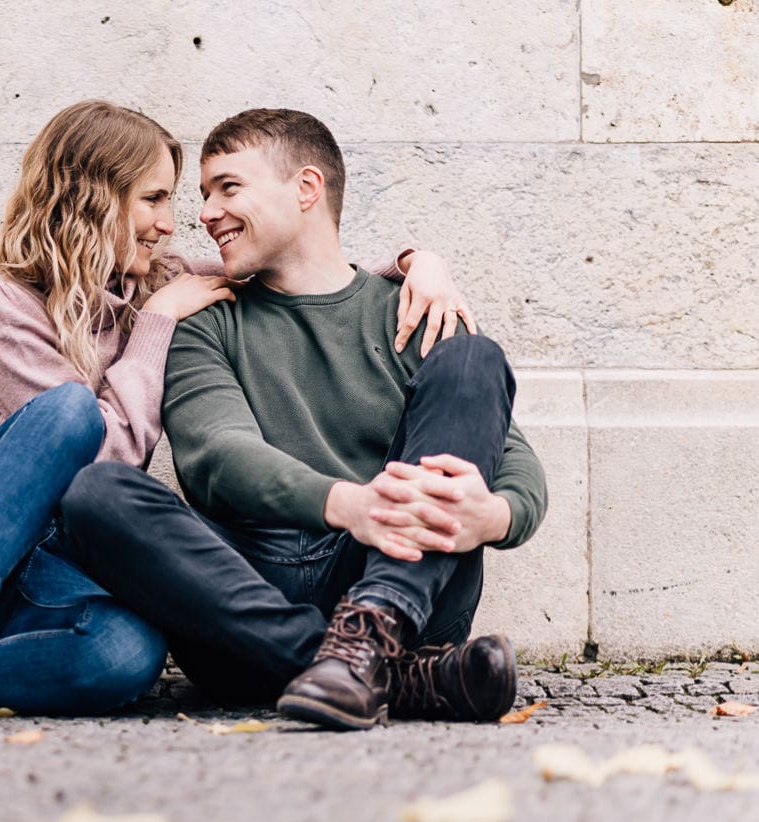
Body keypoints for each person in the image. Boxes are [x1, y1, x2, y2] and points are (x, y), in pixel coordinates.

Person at [0, 101, 475, 732]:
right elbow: (98, 462)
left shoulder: (159, 280)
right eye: (152, 199)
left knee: (126, 659)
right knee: (70, 410)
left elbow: (291, 259)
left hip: (52, 570)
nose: (170, 224)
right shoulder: (1, 306)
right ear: (92, 195)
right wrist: (156, 327)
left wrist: (418, 262)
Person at [59, 108, 548, 731]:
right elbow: (218, 456)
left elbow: (513, 460)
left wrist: (493, 516)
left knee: (475, 358)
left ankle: (372, 631)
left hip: (398, 576)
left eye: (227, 188)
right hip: (248, 593)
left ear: (307, 189)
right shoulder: (207, 317)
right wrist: (350, 504)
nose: (205, 213)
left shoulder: (410, 311)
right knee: (94, 492)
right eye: (204, 195)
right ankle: (391, 673)